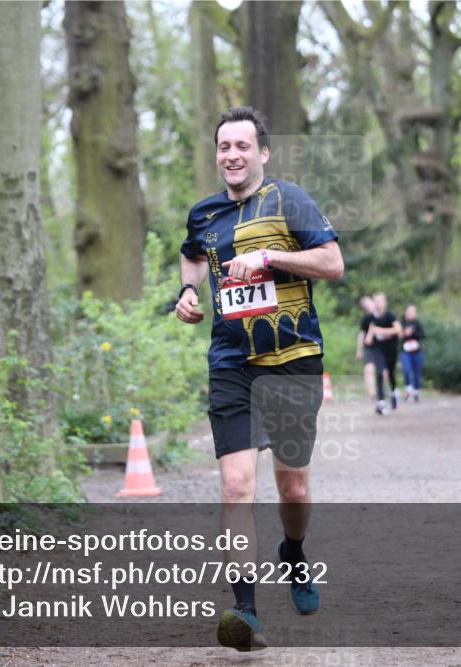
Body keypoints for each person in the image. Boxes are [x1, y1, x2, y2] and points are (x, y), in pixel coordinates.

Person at [175, 106, 343, 652]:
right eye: (224, 146)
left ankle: (293, 552)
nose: (232, 155)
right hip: (231, 363)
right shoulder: (204, 214)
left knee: (292, 484)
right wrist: (188, 293)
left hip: (293, 356)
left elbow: (333, 263)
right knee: (236, 484)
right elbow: (192, 257)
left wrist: (271, 257)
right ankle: (245, 612)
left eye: (242, 146)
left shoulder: (288, 200)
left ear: (262, 153)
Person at [365, 292, 402, 414]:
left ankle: (393, 392)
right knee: (380, 372)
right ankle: (381, 401)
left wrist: (382, 331)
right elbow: (369, 336)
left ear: (384, 302)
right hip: (378, 349)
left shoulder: (389, 315)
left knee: (391, 373)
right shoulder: (372, 317)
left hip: (390, 349)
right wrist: (370, 336)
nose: (378, 303)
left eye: (380, 301)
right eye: (375, 301)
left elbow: (398, 330)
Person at [400, 304, 425, 402]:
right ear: (405, 312)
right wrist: (405, 333)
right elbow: (398, 335)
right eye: (410, 311)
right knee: (406, 369)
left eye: (413, 312)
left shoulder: (417, 323)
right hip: (405, 351)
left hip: (416, 352)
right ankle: (408, 388)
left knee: (417, 372)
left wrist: (412, 333)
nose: (411, 313)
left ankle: (416, 392)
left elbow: (422, 335)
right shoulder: (401, 323)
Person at [356, 296, 377, 400]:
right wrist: (359, 350)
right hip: (369, 348)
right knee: (368, 369)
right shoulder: (366, 319)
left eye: (368, 303)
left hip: (382, 347)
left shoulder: (384, 315)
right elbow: (361, 335)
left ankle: (383, 390)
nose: (367, 306)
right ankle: (372, 393)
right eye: (365, 305)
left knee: (384, 372)